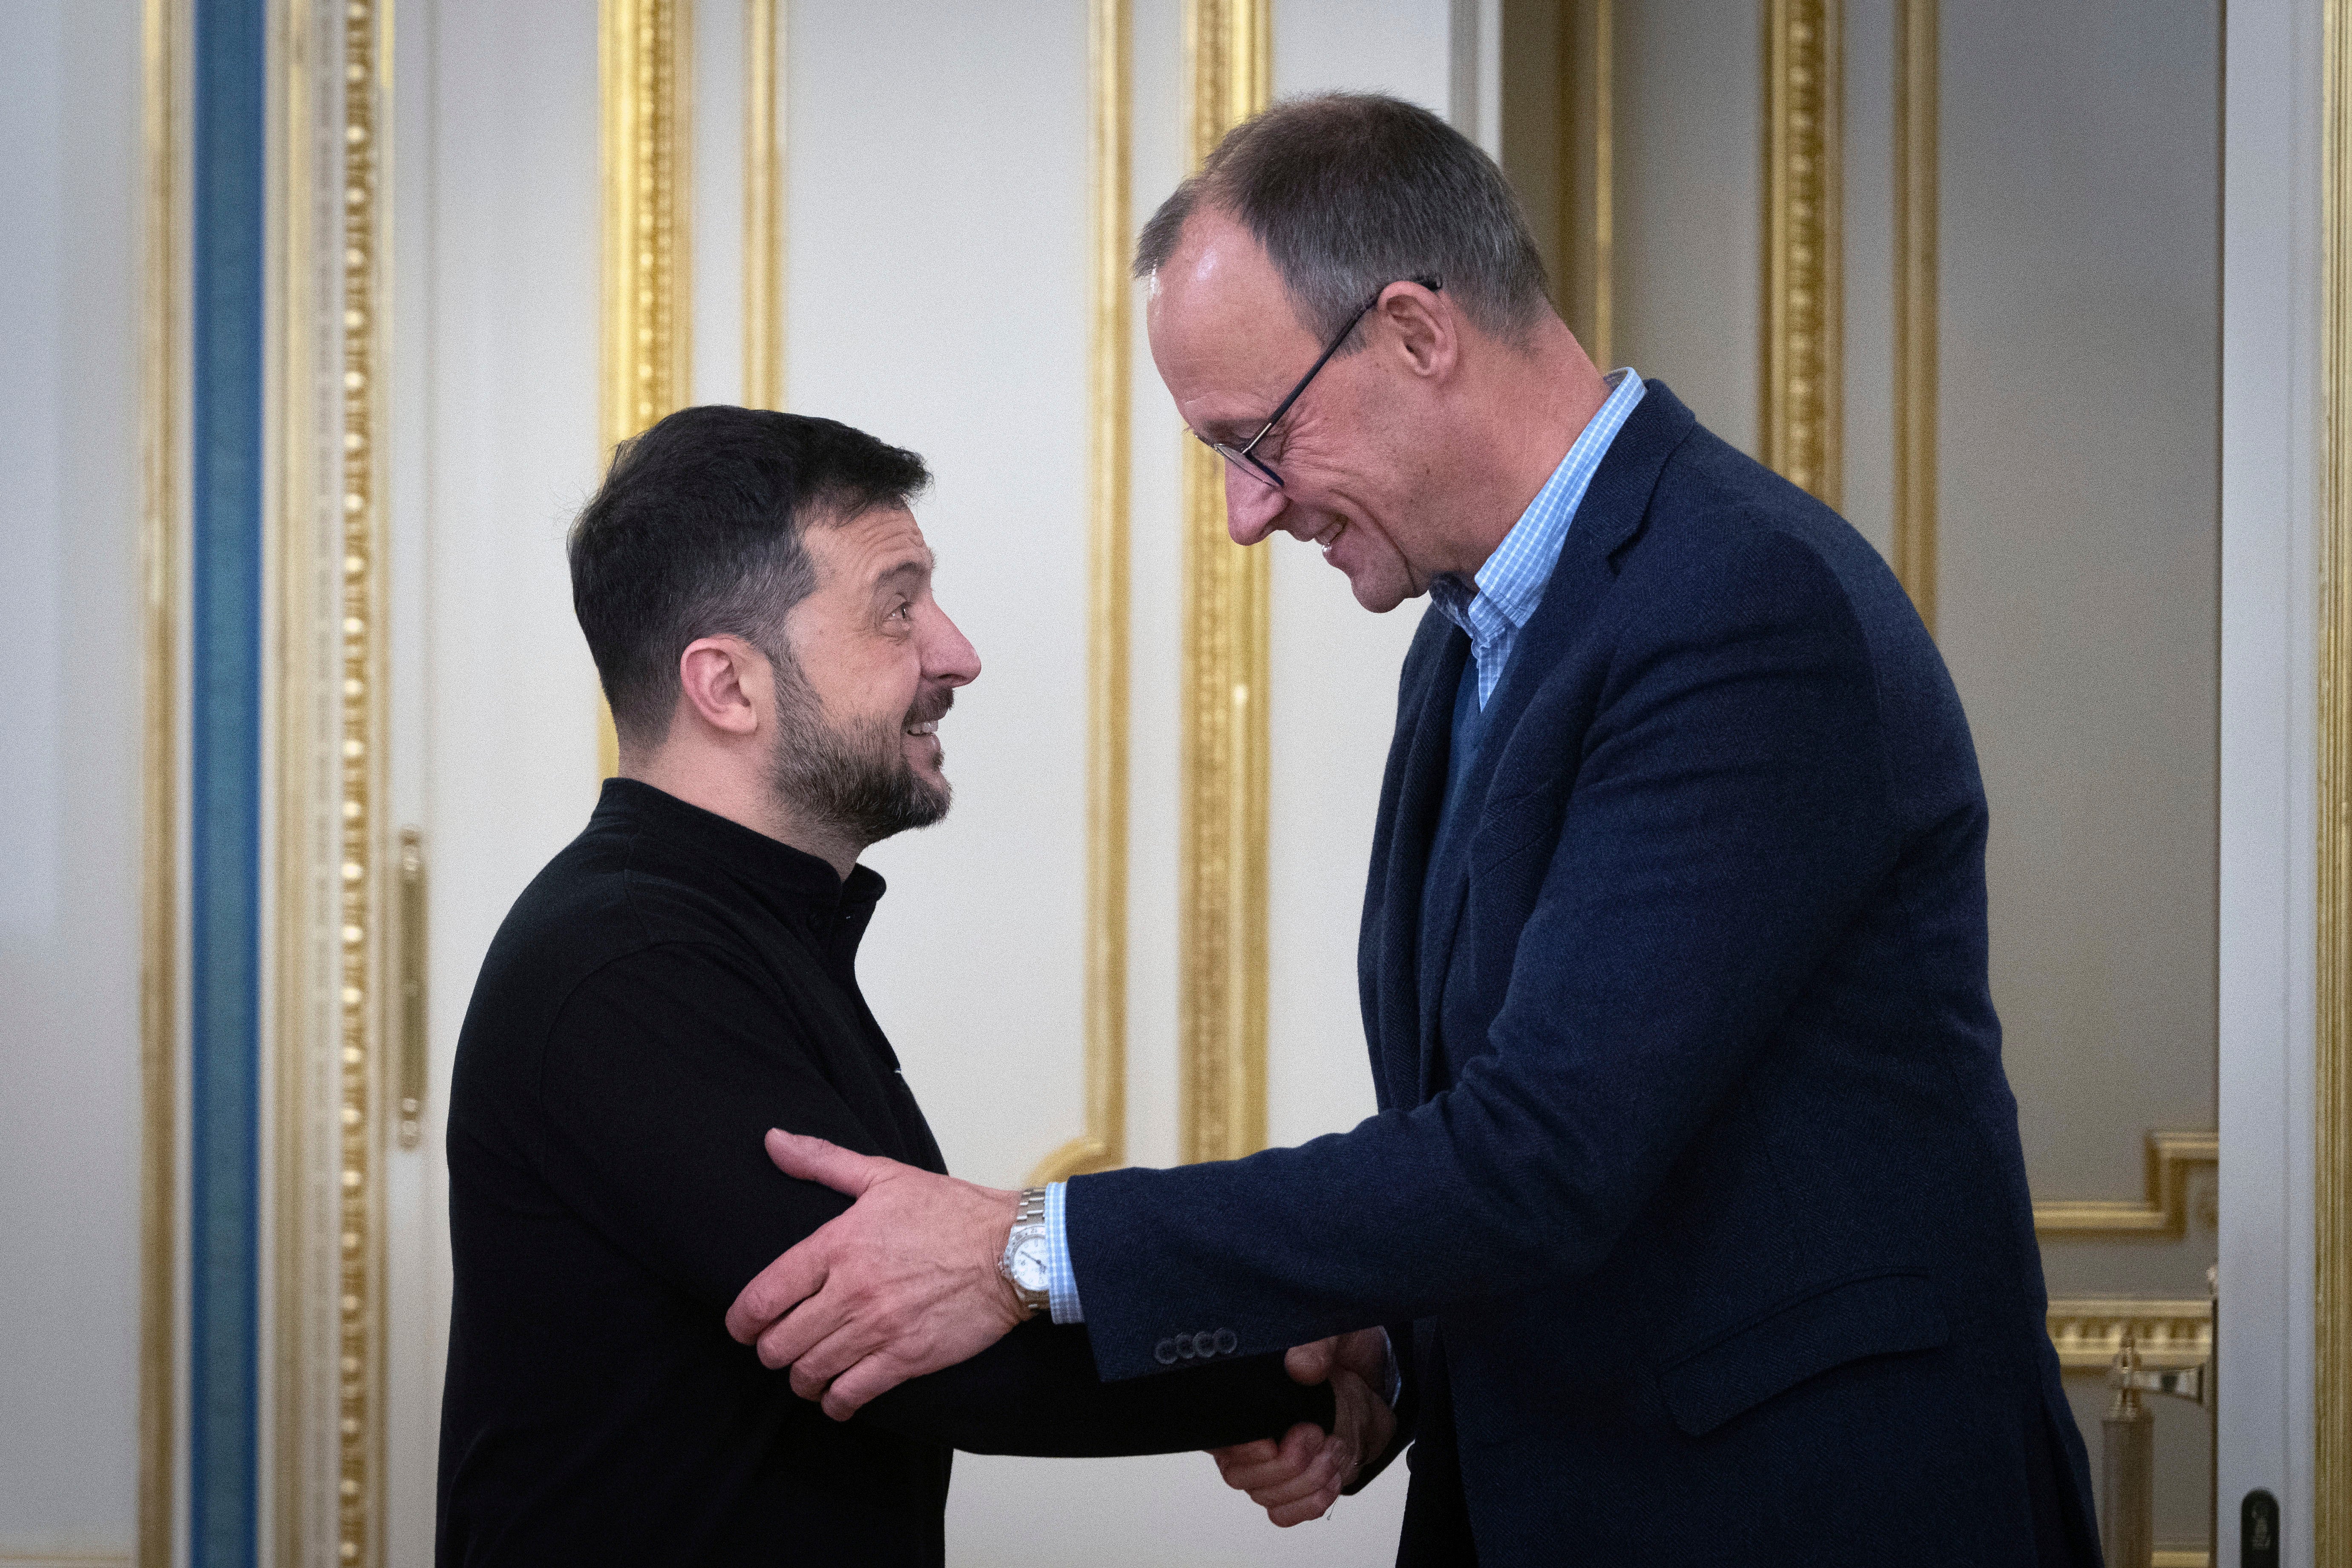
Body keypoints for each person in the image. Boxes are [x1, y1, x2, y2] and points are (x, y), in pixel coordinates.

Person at [719, 95, 2103, 1567]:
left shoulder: (1739, 607)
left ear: (1414, 332)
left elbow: (1545, 1153)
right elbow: (1572, 1136)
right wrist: (1392, 1351)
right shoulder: (1467, 633)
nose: (1247, 513)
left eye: (1259, 438)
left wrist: (1026, 1249)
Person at [434, 406, 1387, 1567]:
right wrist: (1288, 1363)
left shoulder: (721, 926)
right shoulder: (630, 963)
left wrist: (1282, 1364)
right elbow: (931, 1354)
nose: (955, 652)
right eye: (898, 606)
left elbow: (944, 1295)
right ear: (727, 685)